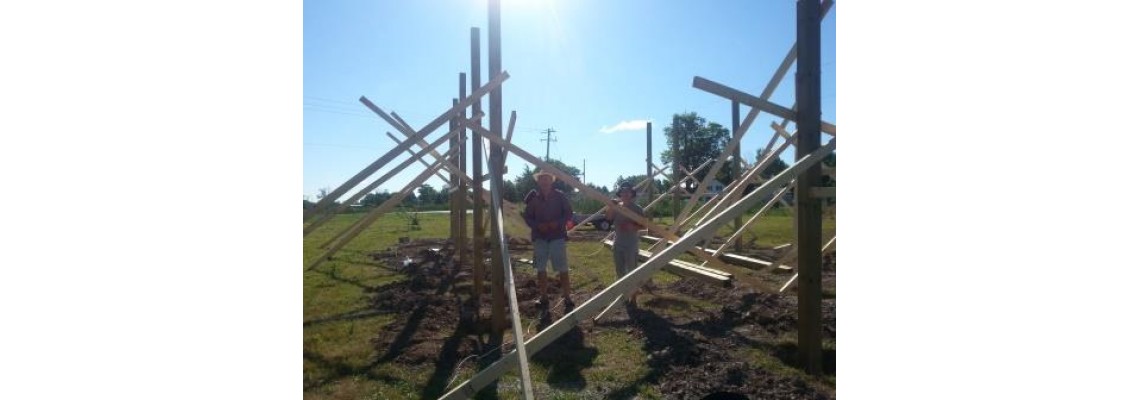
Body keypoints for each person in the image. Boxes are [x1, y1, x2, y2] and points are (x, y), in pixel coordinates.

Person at [523, 169, 575, 312]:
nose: (544, 181)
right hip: (540, 238)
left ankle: (567, 297)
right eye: (542, 179)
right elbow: (527, 217)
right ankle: (543, 297)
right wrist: (537, 225)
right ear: (538, 181)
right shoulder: (533, 198)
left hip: (557, 237)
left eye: (547, 179)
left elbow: (569, 213)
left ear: (551, 181)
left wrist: (558, 223)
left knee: (563, 268)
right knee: (541, 269)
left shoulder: (560, 196)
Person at [606, 182, 647, 305]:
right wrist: (610, 206)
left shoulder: (637, 209)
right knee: (620, 270)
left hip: (631, 243)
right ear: (620, 194)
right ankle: (623, 294)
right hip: (618, 242)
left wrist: (632, 226)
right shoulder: (617, 207)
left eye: (628, 192)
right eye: (623, 192)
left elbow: (644, 226)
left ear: (631, 194)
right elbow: (608, 218)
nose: (625, 194)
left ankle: (633, 297)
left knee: (632, 270)